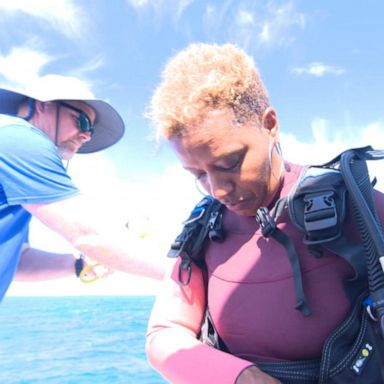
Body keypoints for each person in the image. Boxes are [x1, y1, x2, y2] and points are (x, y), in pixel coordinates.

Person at [145, 43, 384, 383]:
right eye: (198, 174)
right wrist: (240, 377)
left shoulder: (350, 202)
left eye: (229, 163)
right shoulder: (203, 229)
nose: (218, 190)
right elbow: (165, 333)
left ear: (270, 124)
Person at [0, 75, 166, 302]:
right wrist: (190, 276)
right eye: (83, 121)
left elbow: (18, 261)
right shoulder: (20, 139)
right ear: (42, 105)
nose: (87, 135)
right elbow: (88, 236)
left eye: (91, 130)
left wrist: (79, 264)